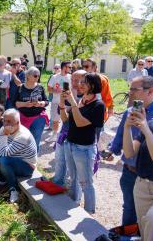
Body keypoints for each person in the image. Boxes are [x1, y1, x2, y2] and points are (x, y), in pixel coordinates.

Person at [107, 76, 153, 226]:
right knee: (129, 209)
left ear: (151, 91)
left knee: (150, 221)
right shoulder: (131, 111)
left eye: (134, 89)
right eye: (130, 88)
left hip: (152, 177)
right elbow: (122, 135)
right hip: (131, 170)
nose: (130, 92)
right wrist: (113, 150)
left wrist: (146, 128)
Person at [60, 73, 105, 214]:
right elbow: (66, 120)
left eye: (83, 82)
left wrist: (72, 102)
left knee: (86, 183)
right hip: (71, 144)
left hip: (84, 148)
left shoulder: (98, 105)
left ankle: (89, 212)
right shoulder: (81, 100)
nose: (80, 84)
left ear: (93, 85)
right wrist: (62, 104)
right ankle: (74, 205)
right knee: (73, 179)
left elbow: (80, 123)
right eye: (80, 82)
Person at [0, 109, 37, 203]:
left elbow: (4, 153)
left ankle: (14, 190)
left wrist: (4, 136)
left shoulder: (23, 136)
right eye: (4, 120)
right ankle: (2, 180)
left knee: (3, 161)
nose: (5, 124)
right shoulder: (4, 128)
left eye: (9, 121)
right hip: (11, 158)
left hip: (27, 166)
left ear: (18, 122)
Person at [122, 103, 153, 241]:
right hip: (142, 187)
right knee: (145, 233)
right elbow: (129, 153)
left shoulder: (148, 126)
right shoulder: (152, 124)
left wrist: (146, 129)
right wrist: (127, 127)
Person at [52, 70, 86, 186]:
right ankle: (57, 184)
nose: (74, 83)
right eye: (72, 80)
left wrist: (72, 105)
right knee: (60, 161)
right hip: (65, 132)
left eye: (77, 80)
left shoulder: (88, 97)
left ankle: (74, 193)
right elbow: (60, 112)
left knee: (76, 169)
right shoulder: (68, 93)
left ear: (85, 81)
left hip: (79, 137)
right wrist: (63, 101)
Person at [15, 66, 49, 151]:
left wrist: (40, 103)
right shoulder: (20, 88)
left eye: (38, 75)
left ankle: (33, 162)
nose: (37, 77)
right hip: (22, 117)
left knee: (35, 140)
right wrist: (25, 104)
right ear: (28, 76)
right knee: (23, 140)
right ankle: (23, 160)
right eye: (35, 75)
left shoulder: (40, 87)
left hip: (38, 117)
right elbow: (15, 103)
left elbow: (47, 101)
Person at [47, 61, 72, 142]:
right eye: (69, 67)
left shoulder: (70, 77)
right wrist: (56, 91)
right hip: (56, 102)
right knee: (55, 120)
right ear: (64, 67)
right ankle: (54, 135)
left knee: (67, 121)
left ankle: (66, 136)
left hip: (67, 103)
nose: (70, 69)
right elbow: (49, 89)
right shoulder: (54, 77)